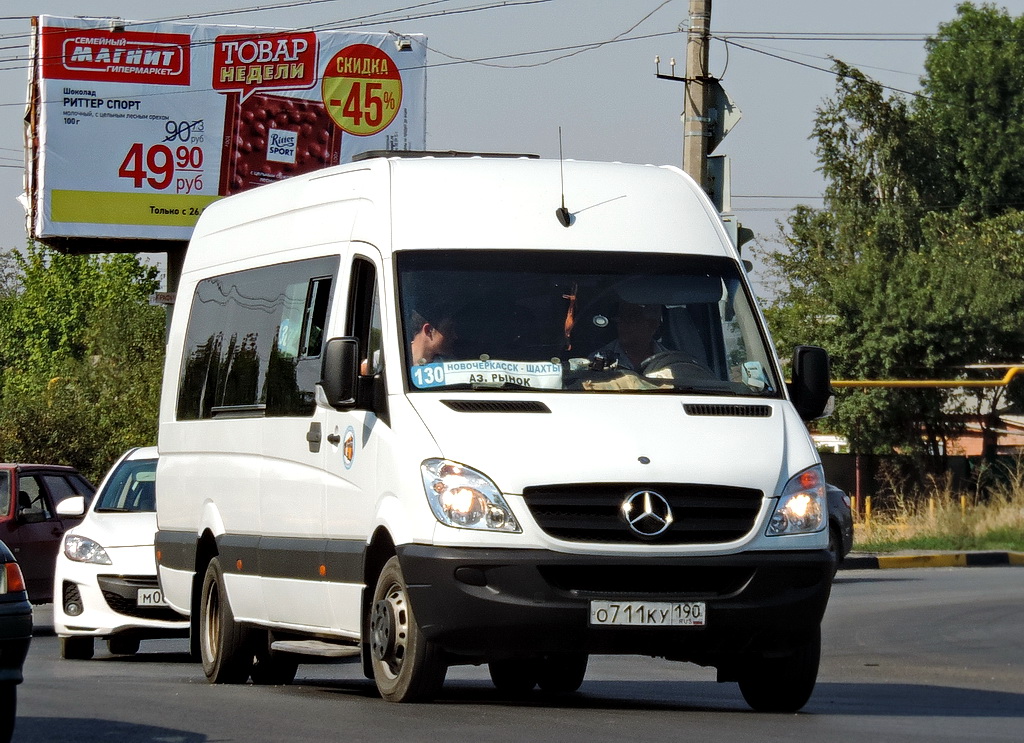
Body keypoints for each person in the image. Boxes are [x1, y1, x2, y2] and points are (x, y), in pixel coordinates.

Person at [590, 301, 666, 371]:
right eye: (620, 318)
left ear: (653, 324)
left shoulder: (670, 362)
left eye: (631, 319)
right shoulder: (597, 360)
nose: (623, 325)